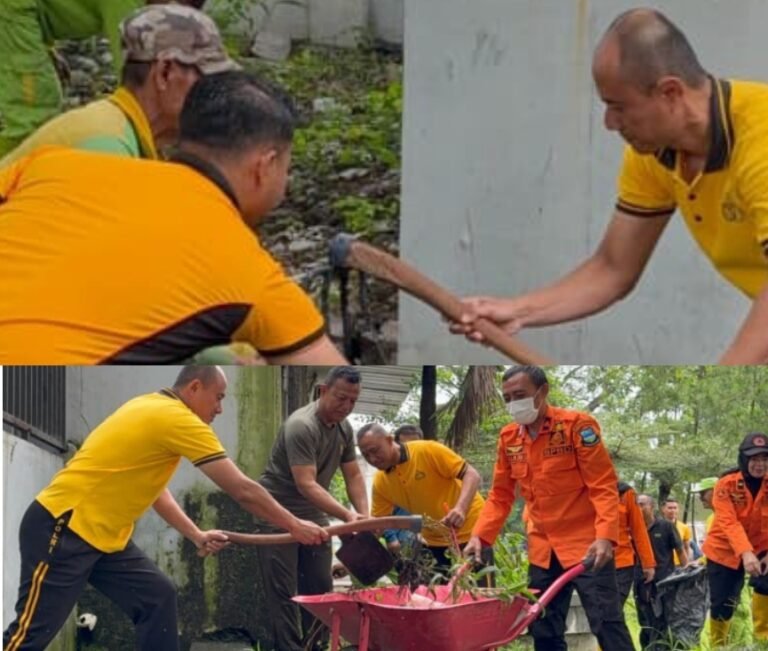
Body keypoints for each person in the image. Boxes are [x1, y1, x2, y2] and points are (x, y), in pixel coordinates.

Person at [453, 8, 768, 363]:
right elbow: (613, 268)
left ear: (670, 92)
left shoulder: (760, 138)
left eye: (618, 107)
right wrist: (517, 310)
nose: (608, 122)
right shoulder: (654, 153)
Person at [0, 70, 347, 364]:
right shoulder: (253, 277)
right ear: (265, 166)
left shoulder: (50, 164)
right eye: (286, 167)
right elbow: (338, 391)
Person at [2, 365, 328, 651]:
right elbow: (243, 489)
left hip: (103, 537)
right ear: (194, 388)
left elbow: (157, 491)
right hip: (64, 527)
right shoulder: (177, 418)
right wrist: (294, 525)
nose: (220, 408)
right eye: (218, 397)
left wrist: (196, 534)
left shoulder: (150, 406)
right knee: (30, 637)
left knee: (157, 597)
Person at [463, 365, 634, 651]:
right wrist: (479, 537)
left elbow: (603, 485)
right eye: (507, 398)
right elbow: (500, 496)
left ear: (542, 392)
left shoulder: (577, 426)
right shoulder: (509, 439)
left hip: (588, 547)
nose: (513, 404)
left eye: (520, 395)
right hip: (543, 549)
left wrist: (605, 536)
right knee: (543, 625)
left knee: (607, 623)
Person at [1, 3, 238, 167]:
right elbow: (127, 60)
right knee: (34, 104)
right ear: (164, 73)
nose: (214, 96)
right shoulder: (107, 144)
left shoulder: (127, 132)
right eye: (207, 80)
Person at [256, 366, 369, 651]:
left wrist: (363, 517)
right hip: (277, 513)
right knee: (283, 593)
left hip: (313, 514)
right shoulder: (301, 426)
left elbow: (354, 475)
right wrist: (346, 516)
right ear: (323, 391)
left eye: (353, 401)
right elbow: (306, 483)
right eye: (341, 398)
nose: (347, 407)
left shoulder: (344, 428)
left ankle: (316, 645)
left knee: (320, 589)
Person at [357, 423, 491, 578]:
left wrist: (460, 508)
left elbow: (472, 474)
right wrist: (352, 560)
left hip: (471, 531)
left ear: (389, 440)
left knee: (479, 593)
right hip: (434, 539)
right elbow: (378, 525)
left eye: (375, 450)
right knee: (439, 596)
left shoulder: (427, 450)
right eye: (366, 455)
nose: (372, 459)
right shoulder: (381, 482)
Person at [702, 433, 768, 647]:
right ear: (743, 459)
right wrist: (745, 553)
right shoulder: (726, 483)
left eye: (764, 459)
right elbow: (729, 523)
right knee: (723, 603)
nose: (760, 464)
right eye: (754, 459)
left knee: (766, 586)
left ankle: (762, 640)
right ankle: (719, 645)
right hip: (724, 550)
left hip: (762, 546)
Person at [635, 493, 686, 650]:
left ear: (652, 507)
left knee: (663, 619)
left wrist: (686, 573)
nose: (639, 507)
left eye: (642, 504)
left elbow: (680, 551)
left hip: (664, 582)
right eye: (636, 504)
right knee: (644, 619)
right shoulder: (632, 529)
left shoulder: (666, 526)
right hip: (640, 581)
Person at [382, 424, 423, 553]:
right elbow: (381, 514)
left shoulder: (431, 469)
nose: (411, 450)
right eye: (406, 445)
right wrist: (391, 538)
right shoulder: (387, 475)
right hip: (402, 543)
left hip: (430, 541)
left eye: (415, 445)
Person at [615, 482, 655, 607]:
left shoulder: (625, 492)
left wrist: (648, 563)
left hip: (621, 563)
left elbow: (638, 529)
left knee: (613, 610)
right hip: (588, 563)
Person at [661, 497, 693, 566]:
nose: (673, 510)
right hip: (663, 565)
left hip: (679, 564)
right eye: (670, 508)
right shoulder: (657, 526)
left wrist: (686, 564)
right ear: (663, 509)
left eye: (675, 508)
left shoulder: (684, 527)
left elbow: (686, 547)